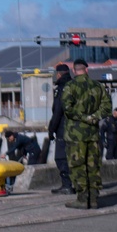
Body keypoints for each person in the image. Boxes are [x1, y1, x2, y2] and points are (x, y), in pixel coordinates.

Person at [61, 58, 111, 209]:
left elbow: (67, 108)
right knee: (93, 165)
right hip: (93, 134)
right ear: (87, 70)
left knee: (77, 166)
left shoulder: (70, 86)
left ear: (74, 71)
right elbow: (107, 108)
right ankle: (94, 198)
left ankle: (83, 199)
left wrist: (83, 117)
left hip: (75, 135)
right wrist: (93, 117)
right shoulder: (98, 87)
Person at [47, 63, 75, 194]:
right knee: (74, 157)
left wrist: (51, 129)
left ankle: (67, 185)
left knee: (61, 157)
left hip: (63, 129)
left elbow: (57, 111)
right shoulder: (75, 86)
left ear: (58, 74)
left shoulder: (61, 88)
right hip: (77, 129)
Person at [1, 129, 41, 193]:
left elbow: (14, 147)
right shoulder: (18, 137)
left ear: (11, 136)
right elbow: (23, 146)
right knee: (30, 165)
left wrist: (5, 154)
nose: (9, 140)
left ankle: (30, 185)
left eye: (9, 138)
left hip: (34, 150)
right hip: (31, 150)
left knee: (31, 166)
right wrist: (24, 154)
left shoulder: (19, 138)